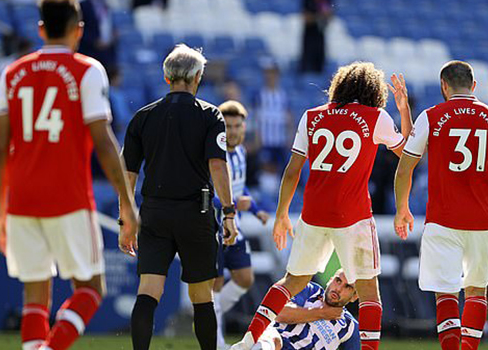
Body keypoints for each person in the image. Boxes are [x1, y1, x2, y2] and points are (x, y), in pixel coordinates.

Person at [231, 62, 412, 350]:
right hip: (353, 215)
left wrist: (281, 215)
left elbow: (292, 171)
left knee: (291, 282)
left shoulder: (312, 116)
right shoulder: (375, 117)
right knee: (369, 295)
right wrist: (403, 110)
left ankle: (248, 340)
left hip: (314, 212)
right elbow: (407, 152)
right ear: (373, 91)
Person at [0, 1, 139, 349]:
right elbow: (103, 142)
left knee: (34, 295)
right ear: (80, 30)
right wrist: (127, 203)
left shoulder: (12, 73)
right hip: (69, 197)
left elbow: (0, 149)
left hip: (23, 200)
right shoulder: (88, 70)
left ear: (40, 29)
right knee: (89, 289)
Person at [393, 60, 488, 350]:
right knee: (476, 292)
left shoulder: (432, 116)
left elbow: (405, 167)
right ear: (474, 86)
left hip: (443, 218)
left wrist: (402, 208)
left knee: (445, 292)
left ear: (444, 86)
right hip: (483, 221)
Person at [122, 44, 238, 350]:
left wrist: (126, 219)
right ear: (198, 77)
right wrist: (228, 211)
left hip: (154, 212)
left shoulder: (142, 117)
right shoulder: (210, 115)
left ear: (166, 76)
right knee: (202, 297)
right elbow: (217, 166)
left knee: (148, 291)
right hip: (195, 212)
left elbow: (128, 175)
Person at [212, 100, 270, 348]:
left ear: (245, 128)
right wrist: (234, 204)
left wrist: (256, 210)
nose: (233, 131)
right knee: (214, 285)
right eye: (228, 126)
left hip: (234, 227)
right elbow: (206, 193)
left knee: (245, 278)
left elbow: (239, 186)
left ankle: (206, 315)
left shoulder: (242, 153)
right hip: (212, 227)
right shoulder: (214, 154)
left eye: (238, 125)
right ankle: (217, 341)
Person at [255, 270, 360, 350]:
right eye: (338, 280)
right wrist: (322, 312)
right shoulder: (310, 290)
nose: (338, 289)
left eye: (347, 287)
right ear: (330, 280)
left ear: (354, 297)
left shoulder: (350, 327)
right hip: (277, 341)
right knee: (272, 338)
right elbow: (280, 313)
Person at [79, 0, 117, 70]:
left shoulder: (107, 6)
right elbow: (80, 29)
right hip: (89, 53)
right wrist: (94, 41)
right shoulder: (83, 6)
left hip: (107, 55)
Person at [300, 0, 333, 73]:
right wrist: (320, 17)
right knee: (307, 67)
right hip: (309, 38)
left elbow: (329, 15)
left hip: (321, 37)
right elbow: (306, 18)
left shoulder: (327, 1)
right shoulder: (308, 2)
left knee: (320, 67)